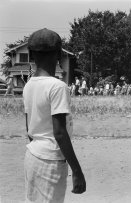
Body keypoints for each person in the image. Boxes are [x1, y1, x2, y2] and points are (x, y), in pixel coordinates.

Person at [23, 28, 86, 203]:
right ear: (59, 54)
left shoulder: (29, 85)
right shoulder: (57, 86)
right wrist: (77, 172)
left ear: (30, 55)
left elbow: (29, 129)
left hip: (33, 154)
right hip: (51, 159)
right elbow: (59, 132)